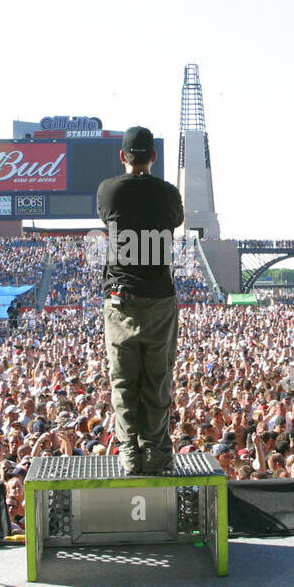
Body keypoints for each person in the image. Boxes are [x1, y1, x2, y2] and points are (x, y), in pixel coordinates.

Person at [96, 126, 184, 475]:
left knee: (124, 383)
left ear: (122, 156)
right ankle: (156, 454)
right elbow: (176, 219)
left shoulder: (109, 190)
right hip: (159, 298)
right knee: (157, 381)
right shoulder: (168, 193)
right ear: (154, 157)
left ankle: (130, 456)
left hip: (121, 299)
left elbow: (106, 218)